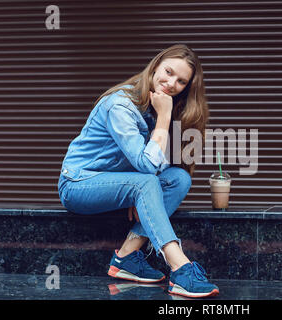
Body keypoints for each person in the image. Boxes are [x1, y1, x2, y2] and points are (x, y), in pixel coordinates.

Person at [57, 44, 218, 298]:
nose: (171, 83)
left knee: (179, 178)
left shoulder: (156, 107)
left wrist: (140, 191)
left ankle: (126, 257)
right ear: (155, 66)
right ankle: (181, 268)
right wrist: (164, 119)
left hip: (118, 184)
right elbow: (145, 166)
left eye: (181, 81)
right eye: (168, 71)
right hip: (78, 184)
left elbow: (158, 165)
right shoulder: (120, 105)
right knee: (145, 183)